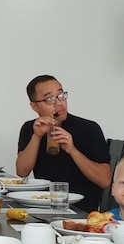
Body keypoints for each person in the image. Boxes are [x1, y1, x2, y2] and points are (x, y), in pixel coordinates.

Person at [15, 74, 111, 213]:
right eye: (50, 99)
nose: (59, 103)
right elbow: (22, 172)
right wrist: (37, 136)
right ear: (34, 106)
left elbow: (105, 180)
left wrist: (72, 150)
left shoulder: (88, 128)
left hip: (80, 211)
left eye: (61, 96)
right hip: (43, 207)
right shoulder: (30, 128)